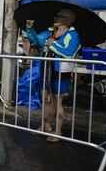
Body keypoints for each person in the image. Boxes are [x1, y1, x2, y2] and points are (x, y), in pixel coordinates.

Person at [25, 9, 81, 143]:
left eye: (59, 17)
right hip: (46, 68)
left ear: (68, 20)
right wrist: (30, 30)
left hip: (60, 72)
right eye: (56, 15)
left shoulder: (73, 34)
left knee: (57, 100)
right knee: (45, 98)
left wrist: (53, 44)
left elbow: (68, 53)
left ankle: (58, 132)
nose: (55, 18)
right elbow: (37, 41)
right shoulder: (50, 31)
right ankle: (46, 125)